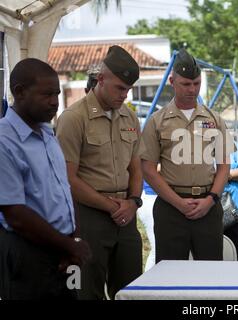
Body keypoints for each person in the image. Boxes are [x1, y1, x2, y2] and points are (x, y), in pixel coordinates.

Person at [56, 46, 145, 299]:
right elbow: (68, 179)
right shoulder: (74, 118)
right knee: (88, 291)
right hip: (90, 217)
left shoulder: (130, 118)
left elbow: (136, 168)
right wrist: (111, 207)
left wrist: (133, 202)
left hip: (126, 215)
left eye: (128, 89)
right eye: (119, 88)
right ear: (101, 79)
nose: (124, 95)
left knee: (131, 291)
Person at [0, 58, 91, 299]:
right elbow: (15, 214)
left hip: (66, 254)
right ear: (19, 92)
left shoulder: (48, 133)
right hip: (30, 255)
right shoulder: (4, 140)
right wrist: (70, 246)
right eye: (47, 95)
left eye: (57, 94)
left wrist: (76, 239)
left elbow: (65, 190)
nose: (54, 102)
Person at [141, 48, 233, 263]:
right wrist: (178, 203)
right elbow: (148, 169)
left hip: (208, 206)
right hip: (170, 209)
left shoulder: (215, 119)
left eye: (196, 83)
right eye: (186, 84)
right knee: (170, 274)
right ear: (172, 81)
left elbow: (224, 164)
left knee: (211, 274)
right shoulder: (157, 121)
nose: (192, 89)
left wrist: (211, 200)